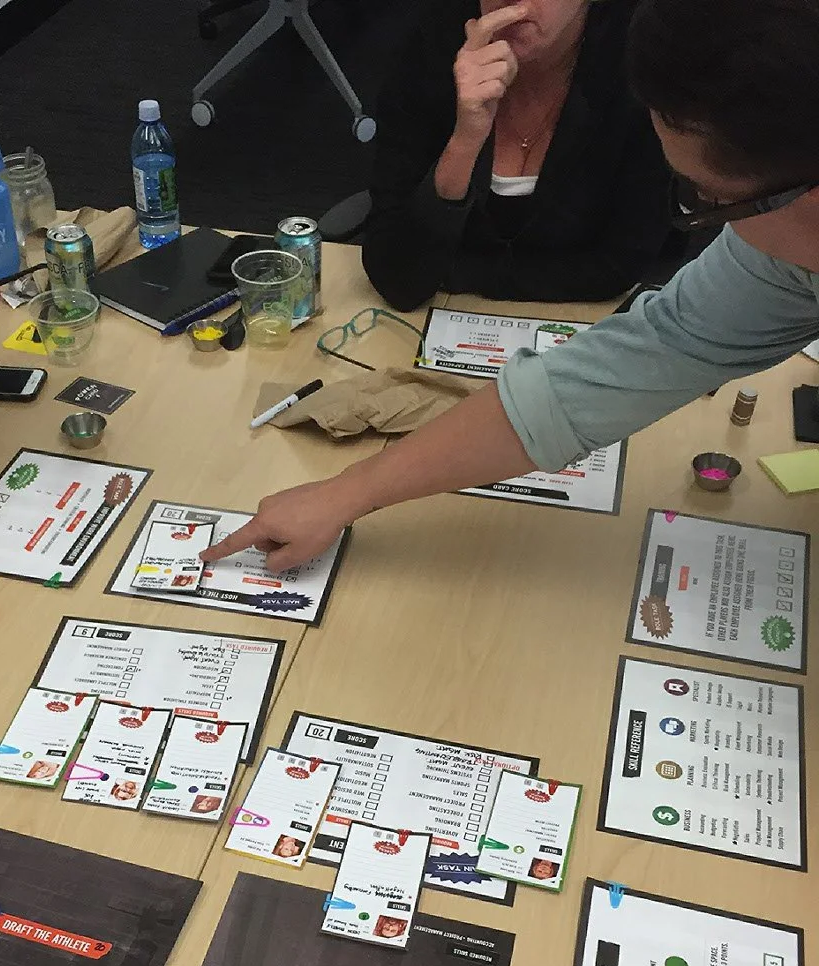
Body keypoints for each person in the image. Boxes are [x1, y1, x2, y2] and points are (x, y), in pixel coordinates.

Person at [202, 0, 819, 576]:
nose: (716, 227)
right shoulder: (781, 258)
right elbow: (630, 362)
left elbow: (616, 280)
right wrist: (345, 494)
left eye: (706, 196)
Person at [363, 0, 674, 311]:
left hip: (587, 320)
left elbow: (618, 267)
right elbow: (397, 277)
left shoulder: (640, 61)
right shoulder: (432, 46)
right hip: (435, 318)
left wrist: (456, 273)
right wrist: (466, 140)